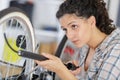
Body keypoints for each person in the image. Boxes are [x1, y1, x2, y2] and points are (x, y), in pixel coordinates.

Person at [35, 0, 120, 80]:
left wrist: (61, 70)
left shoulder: (116, 50)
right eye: (65, 29)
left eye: (74, 26)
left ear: (91, 22)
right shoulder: (86, 46)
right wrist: (75, 74)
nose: (69, 35)